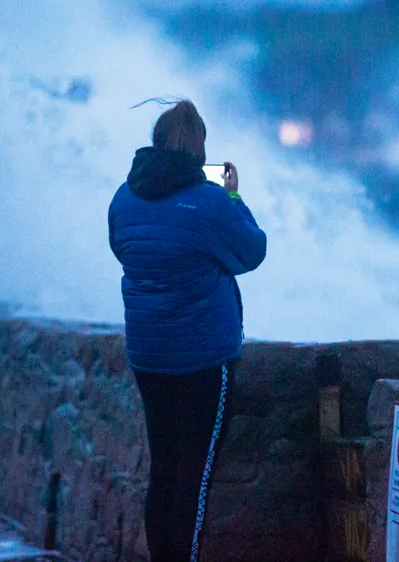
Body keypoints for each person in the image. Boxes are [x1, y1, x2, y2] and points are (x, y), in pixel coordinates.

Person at [108, 100, 267, 562]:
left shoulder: (123, 197)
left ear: (157, 142)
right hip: (202, 360)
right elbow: (252, 252)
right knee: (193, 482)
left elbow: (123, 249)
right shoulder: (210, 200)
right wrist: (234, 195)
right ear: (197, 148)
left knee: (164, 472)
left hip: (148, 356)